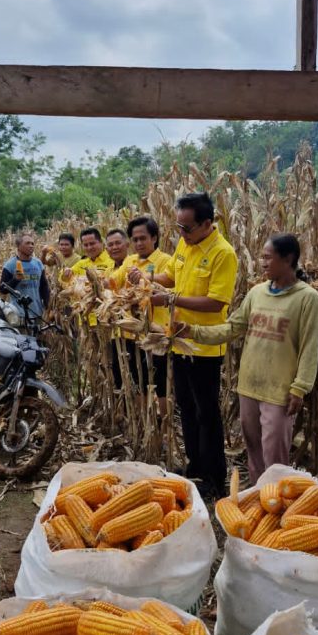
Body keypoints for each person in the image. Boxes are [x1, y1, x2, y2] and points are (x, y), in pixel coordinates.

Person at [179, 234, 318, 485]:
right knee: (254, 451)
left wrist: (300, 388)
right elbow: (231, 328)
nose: (262, 262)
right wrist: (193, 332)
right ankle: (258, 503)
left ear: (288, 259)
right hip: (250, 385)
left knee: (275, 458)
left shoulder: (306, 297)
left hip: (280, 389)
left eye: (268, 257)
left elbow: (310, 346)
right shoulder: (256, 293)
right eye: (261, 257)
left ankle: (277, 504)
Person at [130, 192, 238, 499]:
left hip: (204, 348)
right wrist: (148, 279)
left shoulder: (222, 253)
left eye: (186, 228)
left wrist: (170, 299)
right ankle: (194, 469)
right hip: (178, 340)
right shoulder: (184, 244)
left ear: (207, 223)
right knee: (186, 409)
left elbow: (217, 302)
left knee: (207, 413)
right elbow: (172, 275)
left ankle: (214, 477)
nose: (181, 234)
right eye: (178, 227)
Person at [111, 216, 172, 415]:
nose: (138, 243)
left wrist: (146, 281)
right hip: (132, 334)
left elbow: (170, 293)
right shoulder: (129, 261)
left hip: (157, 334)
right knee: (138, 381)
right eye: (135, 239)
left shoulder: (166, 262)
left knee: (161, 386)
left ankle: (162, 430)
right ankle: (144, 424)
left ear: (154, 238)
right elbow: (112, 282)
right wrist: (86, 282)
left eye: (142, 238)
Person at [0, 232, 50, 321]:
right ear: (18, 246)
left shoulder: (38, 263)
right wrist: (15, 279)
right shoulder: (10, 265)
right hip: (18, 314)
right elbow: (2, 289)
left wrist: (47, 305)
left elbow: (44, 286)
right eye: (27, 243)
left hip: (37, 313)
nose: (31, 246)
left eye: (32, 243)